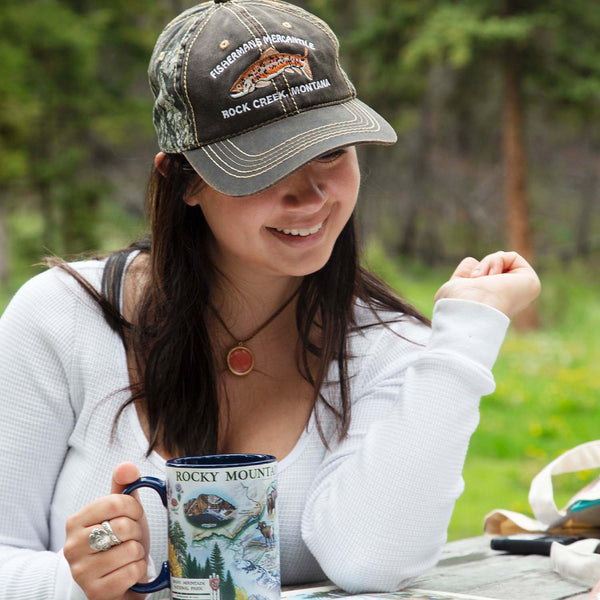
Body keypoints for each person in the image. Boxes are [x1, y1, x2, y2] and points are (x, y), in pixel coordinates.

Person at [0, 1, 541, 599]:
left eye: (331, 152)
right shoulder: (62, 319)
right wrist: (74, 584)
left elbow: (372, 560)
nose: (308, 195)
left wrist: (465, 334)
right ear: (182, 182)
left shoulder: (385, 346)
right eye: (264, 166)